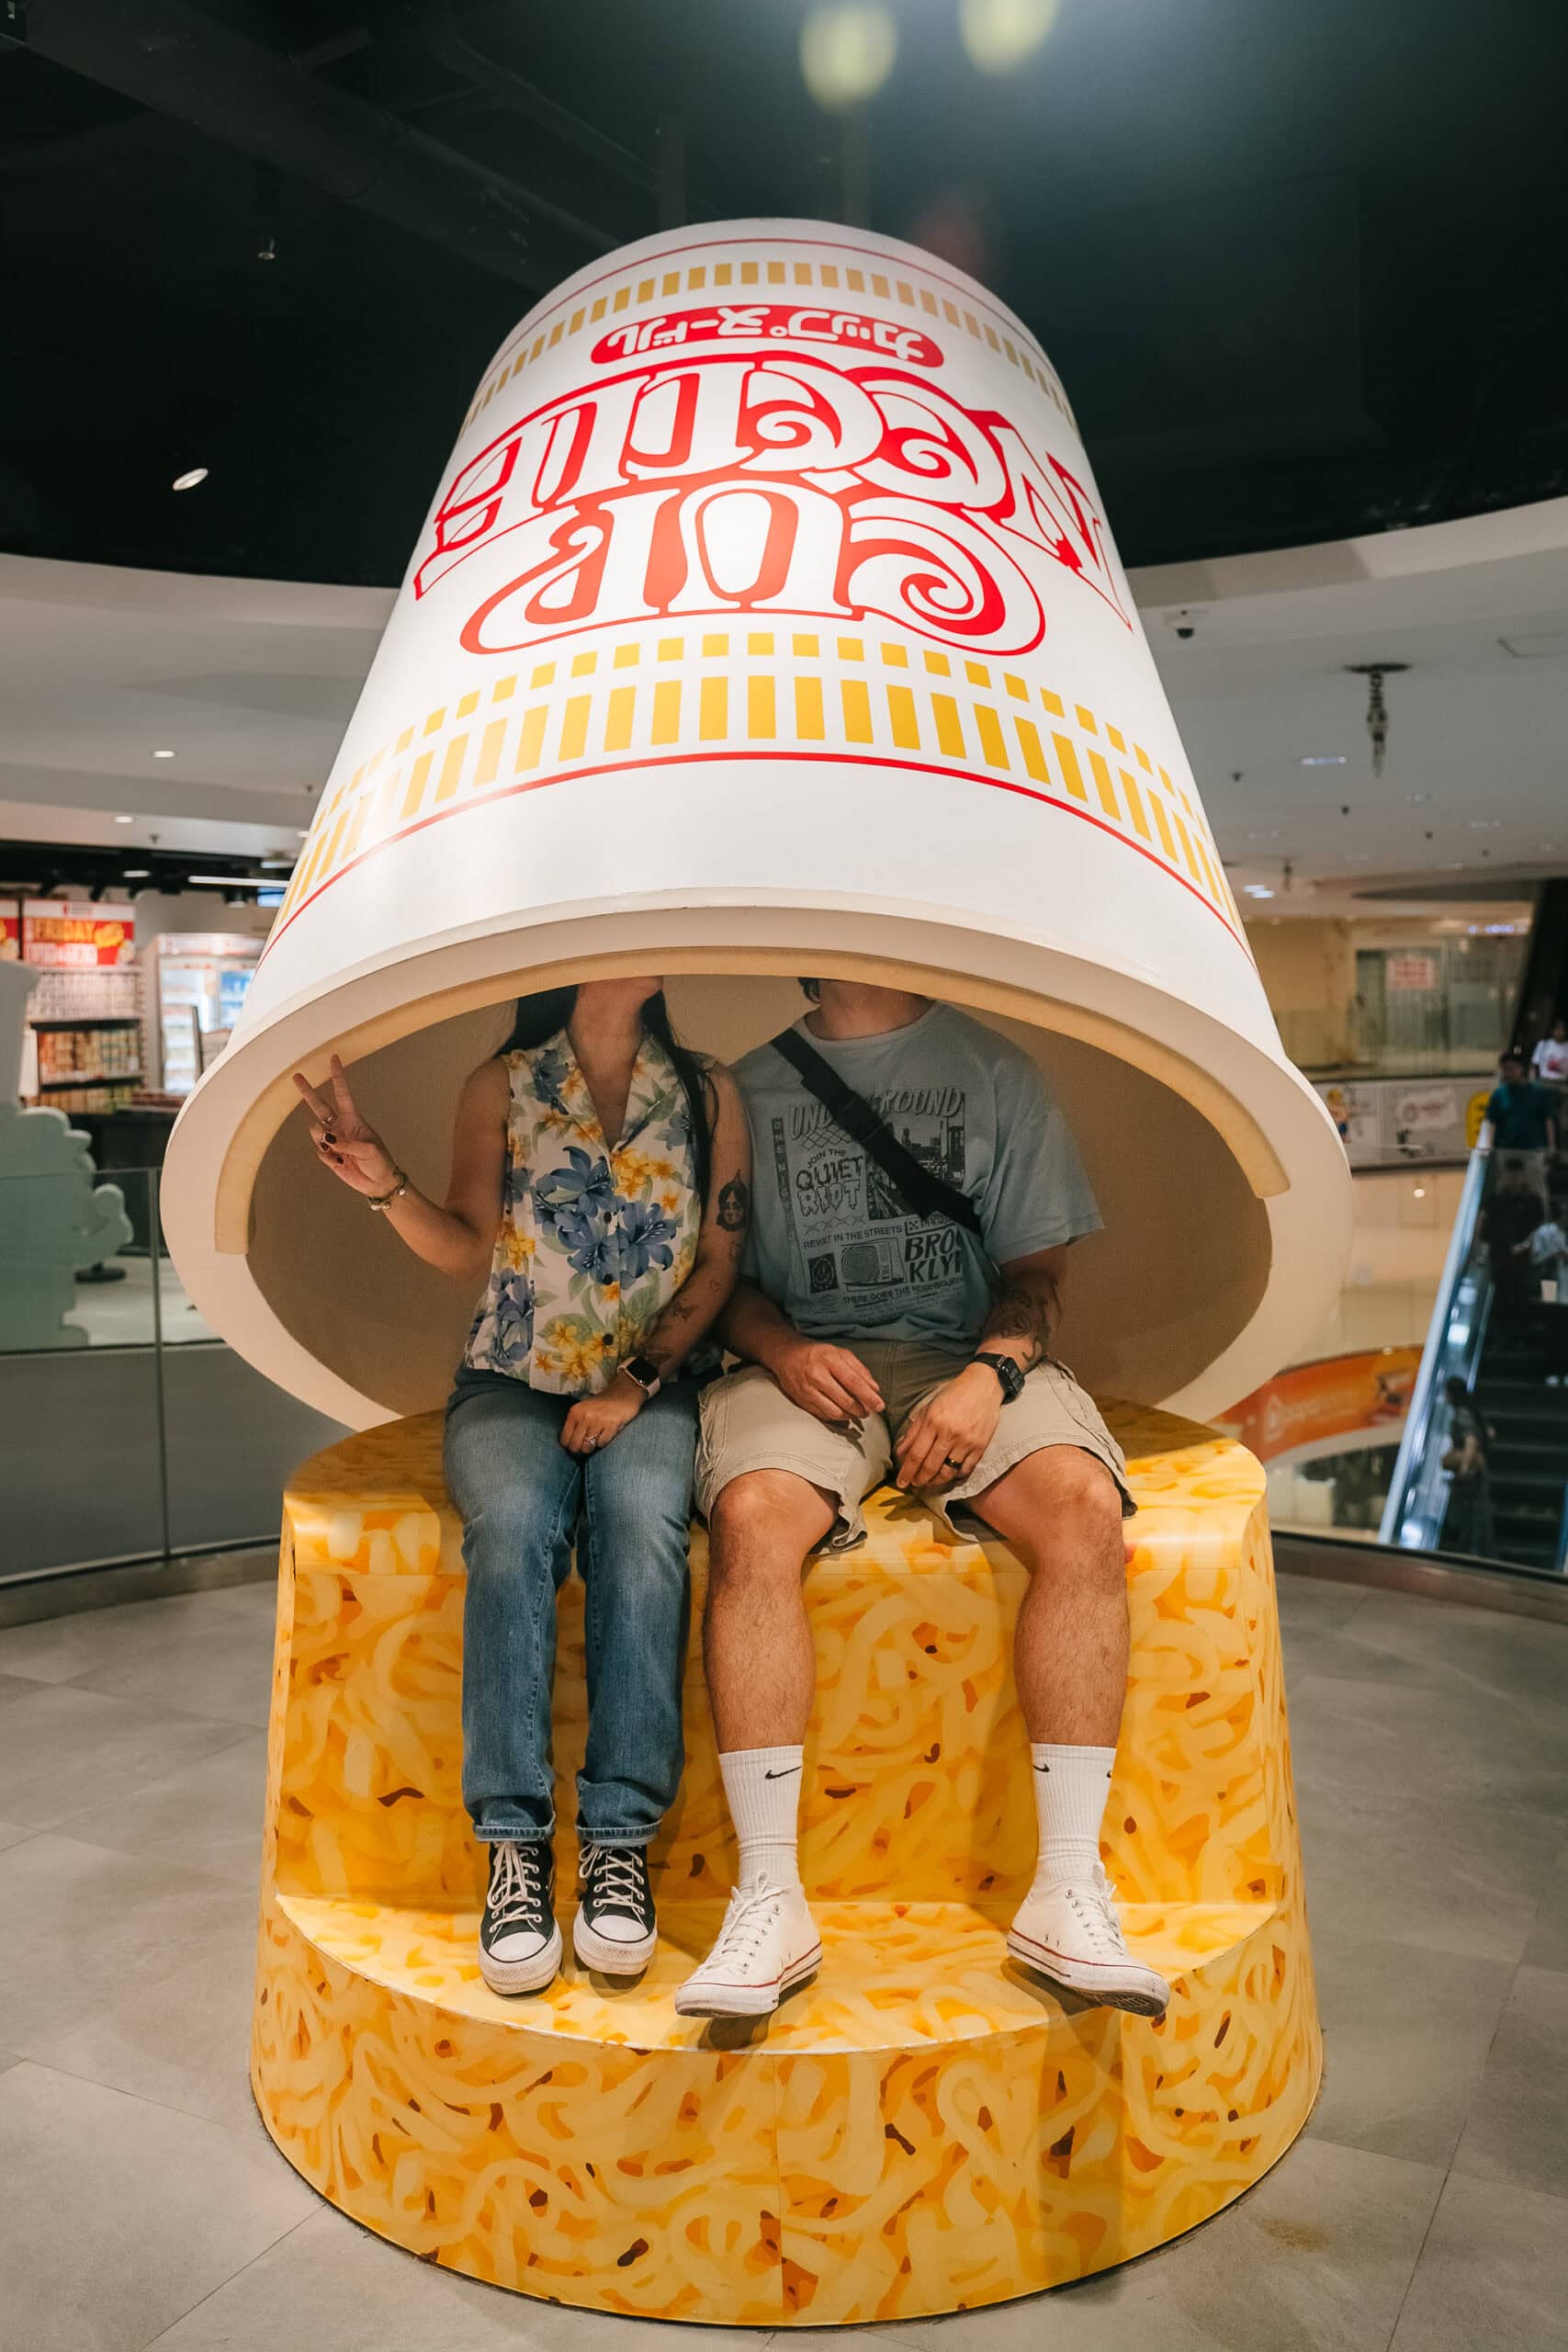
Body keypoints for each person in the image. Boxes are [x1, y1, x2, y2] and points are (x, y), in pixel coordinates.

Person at [674, 979, 1171, 2024]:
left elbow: (1037, 1273)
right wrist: (786, 1349)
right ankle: (770, 1893)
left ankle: (1068, 1884)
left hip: (965, 1361)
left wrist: (988, 1378)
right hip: (812, 1371)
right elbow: (725, 1281)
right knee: (756, 1516)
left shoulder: (998, 1073)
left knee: (1083, 1502)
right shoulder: (749, 1089)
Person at [292, 981, 750, 1996]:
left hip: (654, 1385)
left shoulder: (709, 1090)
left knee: (640, 1526)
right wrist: (383, 1184)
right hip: (509, 1378)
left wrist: (636, 1384)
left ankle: (619, 1841)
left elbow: (720, 1257)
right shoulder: (501, 1082)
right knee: (511, 1530)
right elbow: (468, 1247)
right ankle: (513, 1846)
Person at [1480, 1051, 1558, 1187]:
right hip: (1505, 1150)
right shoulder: (1498, 1094)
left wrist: (1551, 1146)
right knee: (1504, 1187)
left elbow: (1548, 1120)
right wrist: (1489, 1146)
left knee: (1537, 1186)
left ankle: (1540, 1209)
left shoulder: (1538, 1092)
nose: (1508, 1073)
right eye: (1505, 1070)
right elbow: (1491, 1121)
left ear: (1521, 1069)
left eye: (1511, 1069)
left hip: (1532, 1150)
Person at [1439, 1374, 1495, 1557]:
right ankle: (1473, 1550)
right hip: (1479, 1471)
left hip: (1471, 1473)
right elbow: (1490, 1433)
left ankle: (1471, 1551)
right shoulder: (1473, 1410)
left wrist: (1463, 1467)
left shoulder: (1462, 1413)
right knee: (1477, 1513)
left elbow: (1471, 1441)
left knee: (1469, 1514)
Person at [1529, 1016, 1568, 1091]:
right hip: (1544, 1082)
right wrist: (1532, 1083)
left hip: (1562, 1084)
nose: (1559, 1032)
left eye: (1562, 1030)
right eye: (1557, 1029)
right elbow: (1533, 1065)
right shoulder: (1543, 1045)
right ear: (1552, 1030)